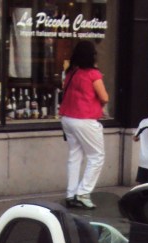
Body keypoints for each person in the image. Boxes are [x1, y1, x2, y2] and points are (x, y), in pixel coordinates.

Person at [60, 40, 110, 209]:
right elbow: (104, 97)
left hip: (67, 117)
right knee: (96, 156)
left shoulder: (71, 72)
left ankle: (71, 193)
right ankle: (83, 193)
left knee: (75, 156)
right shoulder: (93, 74)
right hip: (85, 118)